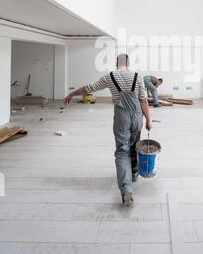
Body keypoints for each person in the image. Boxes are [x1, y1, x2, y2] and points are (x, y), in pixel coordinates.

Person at [64, 54, 153, 207]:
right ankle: (133, 175)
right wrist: (149, 120)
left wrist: (72, 93)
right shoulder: (138, 77)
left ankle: (126, 190)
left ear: (117, 63)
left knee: (122, 151)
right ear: (128, 63)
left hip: (121, 116)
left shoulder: (110, 77)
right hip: (137, 116)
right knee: (134, 146)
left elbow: (89, 88)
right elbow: (143, 100)